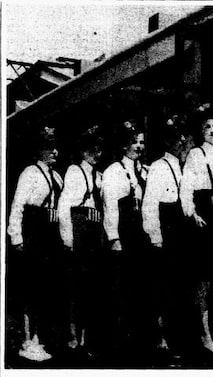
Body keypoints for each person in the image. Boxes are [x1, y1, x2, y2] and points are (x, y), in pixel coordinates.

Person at [7, 126, 63, 361]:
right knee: (31, 288)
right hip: (33, 233)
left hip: (50, 234)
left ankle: (40, 339)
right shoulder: (30, 172)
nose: (55, 152)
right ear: (39, 149)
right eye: (49, 147)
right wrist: (16, 235)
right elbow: (18, 205)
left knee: (45, 288)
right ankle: (27, 341)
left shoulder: (57, 176)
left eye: (55, 147)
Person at [101, 119, 149, 353]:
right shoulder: (114, 171)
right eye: (133, 142)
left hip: (140, 235)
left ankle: (140, 339)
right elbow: (110, 207)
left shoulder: (144, 170)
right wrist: (114, 238)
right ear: (123, 146)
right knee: (123, 289)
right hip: (124, 235)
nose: (138, 146)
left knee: (141, 288)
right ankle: (120, 343)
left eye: (141, 142)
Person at [57, 125, 104, 354]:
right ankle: (74, 338)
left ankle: (88, 338)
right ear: (84, 150)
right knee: (77, 287)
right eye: (93, 149)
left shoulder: (99, 175)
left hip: (94, 234)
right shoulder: (75, 172)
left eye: (99, 149)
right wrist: (68, 239)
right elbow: (65, 206)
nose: (97, 153)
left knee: (91, 287)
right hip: (80, 233)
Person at [142, 120, 186, 356]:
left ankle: (177, 337)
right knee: (163, 287)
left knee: (178, 287)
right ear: (168, 141)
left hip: (179, 231)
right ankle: (161, 340)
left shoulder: (182, 167)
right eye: (176, 137)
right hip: (165, 231)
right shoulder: (159, 167)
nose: (181, 141)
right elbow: (150, 204)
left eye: (182, 137)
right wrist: (155, 236)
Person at [180, 109, 213, 354]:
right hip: (203, 211)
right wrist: (192, 213)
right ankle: (203, 334)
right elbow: (187, 187)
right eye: (208, 127)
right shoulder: (196, 154)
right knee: (202, 278)